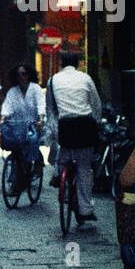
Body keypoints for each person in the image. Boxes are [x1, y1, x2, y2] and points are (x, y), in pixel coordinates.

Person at [45, 52, 103, 223]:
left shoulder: (53, 80)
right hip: (85, 125)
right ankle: (85, 209)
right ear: (77, 63)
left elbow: (50, 109)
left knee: (64, 152)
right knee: (84, 168)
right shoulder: (85, 78)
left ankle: (58, 174)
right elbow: (96, 103)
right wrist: (98, 121)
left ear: (62, 63)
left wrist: (53, 131)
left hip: (66, 126)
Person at [0, 64, 44, 177]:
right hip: (17, 126)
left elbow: (41, 104)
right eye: (18, 75)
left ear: (28, 75)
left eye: (23, 74)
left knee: (32, 140)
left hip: (33, 124)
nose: (21, 77)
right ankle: (15, 182)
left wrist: (41, 119)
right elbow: (7, 107)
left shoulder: (35, 88)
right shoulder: (13, 91)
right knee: (16, 150)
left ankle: (37, 160)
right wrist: (3, 119)